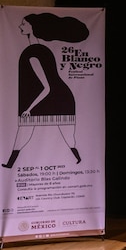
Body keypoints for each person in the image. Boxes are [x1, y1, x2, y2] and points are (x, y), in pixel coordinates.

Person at [2, 13, 89, 169]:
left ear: (32, 28)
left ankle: (78, 160)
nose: (20, 26)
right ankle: (10, 164)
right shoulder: (38, 49)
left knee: (68, 137)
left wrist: (29, 109)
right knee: (24, 132)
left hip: (57, 98)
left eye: (24, 24)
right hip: (51, 97)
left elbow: (46, 87)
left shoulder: (34, 53)